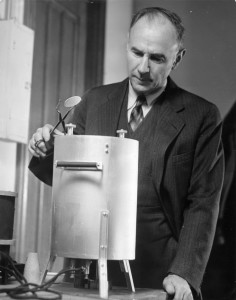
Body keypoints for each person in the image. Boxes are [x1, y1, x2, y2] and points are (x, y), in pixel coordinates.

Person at [28, 7, 224, 300]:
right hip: (89, 270)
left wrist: (183, 273)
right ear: (126, 45)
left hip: (161, 273)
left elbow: (203, 204)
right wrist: (46, 150)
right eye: (136, 52)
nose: (143, 67)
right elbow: (68, 179)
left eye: (156, 58)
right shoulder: (94, 101)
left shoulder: (202, 117)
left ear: (177, 58)